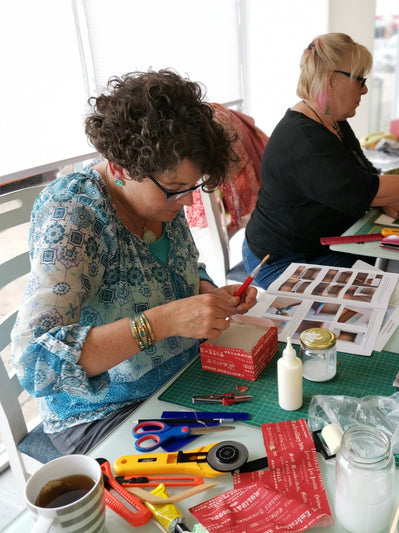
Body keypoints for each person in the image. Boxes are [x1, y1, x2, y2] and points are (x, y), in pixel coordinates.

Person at [10, 69, 257, 455]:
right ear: (121, 168)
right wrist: (167, 320)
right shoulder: (76, 216)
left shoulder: (161, 201)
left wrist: (208, 294)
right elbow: (36, 362)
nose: (190, 203)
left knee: (261, 438)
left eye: (192, 188)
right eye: (177, 190)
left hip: (179, 379)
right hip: (103, 412)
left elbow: (182, 267)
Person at [242, 33, 399, 289]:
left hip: (323, 242)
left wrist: (387, 198)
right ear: (331, 80)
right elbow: (364, 190)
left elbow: (362, 172)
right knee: (385, 295)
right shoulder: (305, 141)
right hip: (283, 259)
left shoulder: (331, 120)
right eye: (360, 80)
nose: (365, 89)